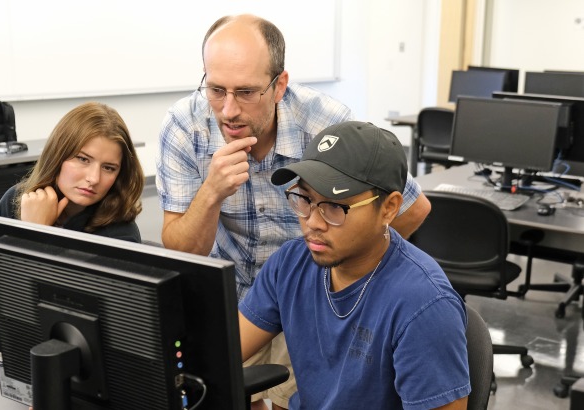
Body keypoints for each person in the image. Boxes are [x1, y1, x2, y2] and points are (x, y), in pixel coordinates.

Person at [155, 14, 431, 409]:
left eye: (247, 92)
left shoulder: (325, 124)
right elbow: (182, 252)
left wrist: (340, 265)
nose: (228, 110)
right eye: (216, 89)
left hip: (312, 301)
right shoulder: (185, 127)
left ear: (279, 85)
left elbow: (411, 208)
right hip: (232, 299)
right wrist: (211, 193)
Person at [239, 120, 469, 409]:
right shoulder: (290, 263)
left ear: (389, 208)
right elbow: (226, 352)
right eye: (304, 199)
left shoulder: (424, 305)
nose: (312, 222)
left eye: (335, 206)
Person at [0, 101, 145, 307]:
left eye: (109, 168)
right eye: (83, 159)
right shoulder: (16, 200)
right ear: (58, 155)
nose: (94, 178)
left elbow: (55, 303)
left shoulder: (120, 234)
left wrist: (36, 233)